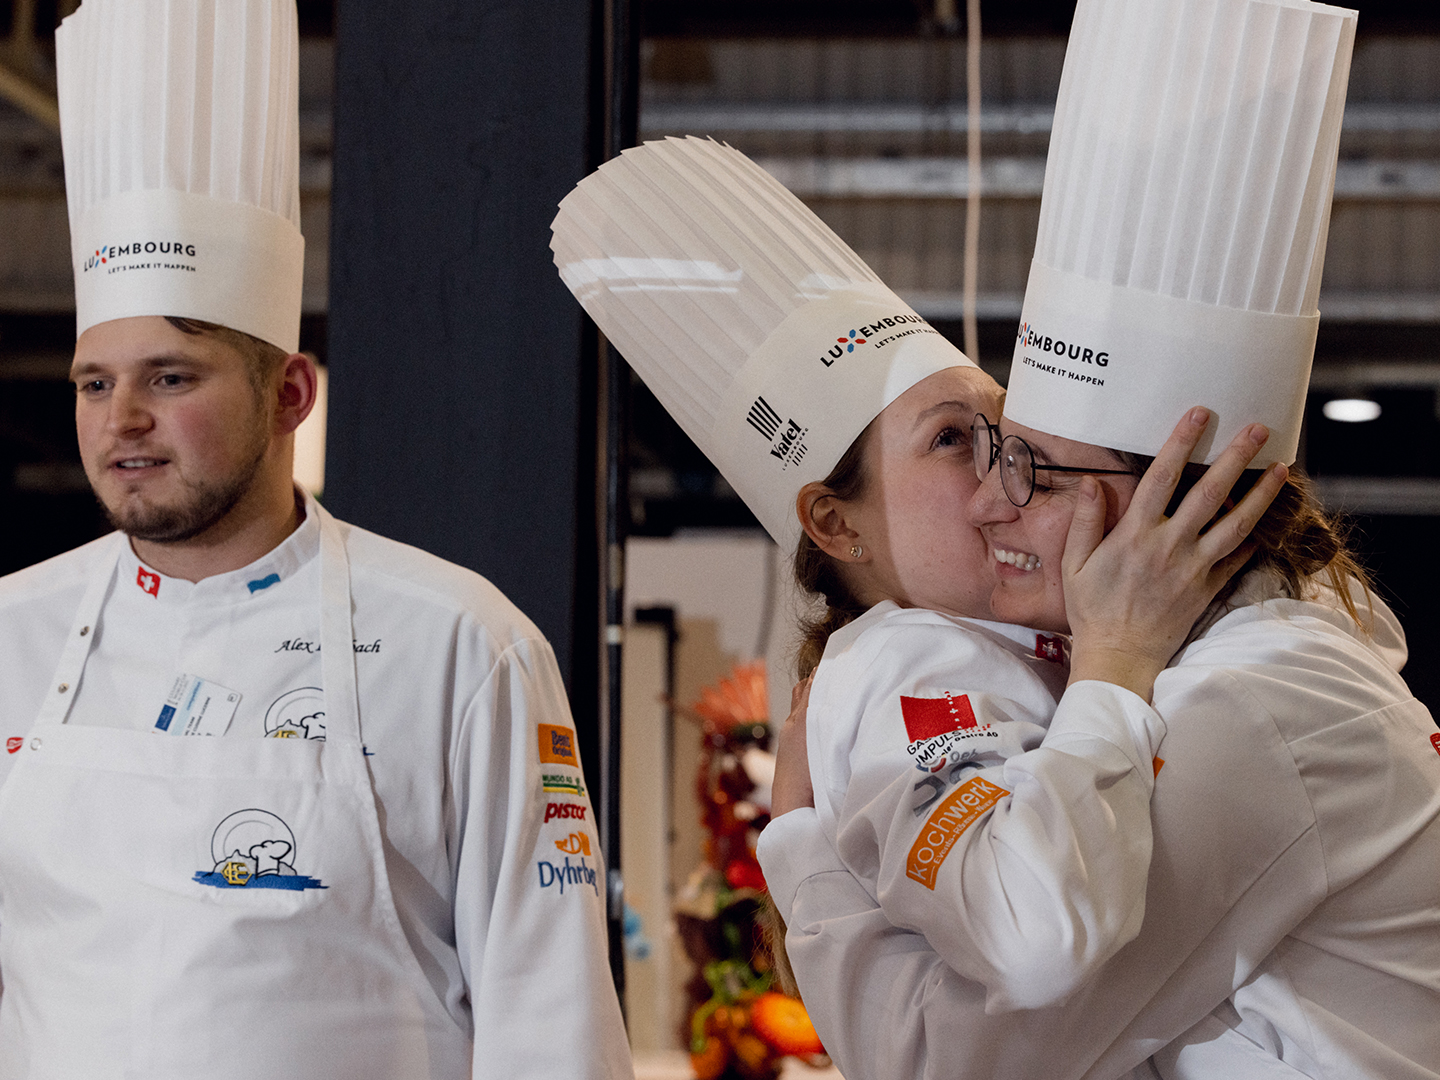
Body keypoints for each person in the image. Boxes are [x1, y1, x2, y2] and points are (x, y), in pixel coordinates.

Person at [760, 0, 1440, 1076]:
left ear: (1177, 506)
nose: (995, 504)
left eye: (1033, 469)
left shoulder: (1264, 709)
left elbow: (958, 1057)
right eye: (984, 453)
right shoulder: (1248, 670)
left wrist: (800, 850)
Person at [0, 3, 631, 1077]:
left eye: (171, 377)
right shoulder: (15, 630)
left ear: (290, 392)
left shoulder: (463, 646)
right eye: (95, 384)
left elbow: (551, 1022)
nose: (122, 422)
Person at [550, 136, 1280, 1015]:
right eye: (949, 441)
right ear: (835, 523)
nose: (1009, 468)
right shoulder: (905, 665)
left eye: (1006, 432)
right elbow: (1031, 937)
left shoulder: (1029, 641)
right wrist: (1117, 666)